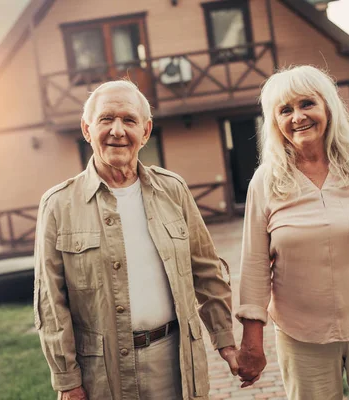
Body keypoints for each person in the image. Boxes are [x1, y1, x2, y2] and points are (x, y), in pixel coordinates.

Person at [33, 79, 239, 400]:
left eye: (129, 120)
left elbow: (207, 271)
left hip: (176, 360)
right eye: (106, 119)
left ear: (145, 131)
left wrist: (225, 340)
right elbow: (50, 304)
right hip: (103, 372)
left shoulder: (173, 190)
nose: (117, 130)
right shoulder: (58, 204)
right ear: (87, 130)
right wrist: (68, 380)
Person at [235, 65, 349, 399]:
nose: (298, 117)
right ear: (275, 122)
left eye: (307, 104)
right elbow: (254, 265)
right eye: (285, 110)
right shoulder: (265, 181)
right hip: (300, 334)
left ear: (328, 108)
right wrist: (252, 341)